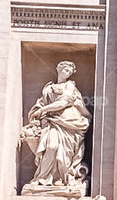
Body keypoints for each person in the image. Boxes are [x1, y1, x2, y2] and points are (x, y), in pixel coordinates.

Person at [21, 60, 91, 189]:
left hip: (69, 122)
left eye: (70, 71)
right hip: (52, 121)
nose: (68, 73)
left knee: (65, 152)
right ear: (58, 69)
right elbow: (40, 103)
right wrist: (37, 113)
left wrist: (43, 110)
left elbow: (63, 103)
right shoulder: (48, 88)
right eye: (66, 70)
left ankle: (61, 178)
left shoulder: (70, 86)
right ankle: (43, 178)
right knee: (51, 146)